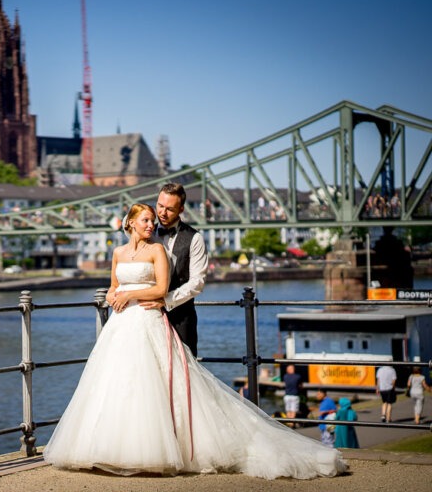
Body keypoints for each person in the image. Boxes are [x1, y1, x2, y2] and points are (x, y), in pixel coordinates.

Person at [43, 203, 346, 479]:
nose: (151, 225)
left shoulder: (157, 250)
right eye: (146, 220)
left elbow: (161, 289)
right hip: (121, 325)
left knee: (151, 384)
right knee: (117, 384)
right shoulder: (118, 253)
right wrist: (113, 295)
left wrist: (130, 294)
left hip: (148, 319)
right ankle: (107, 447)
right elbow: (113, 286)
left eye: (152, 220)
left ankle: (151, 450)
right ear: (131, 223)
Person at [139, 183, 208, 356]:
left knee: (184, 374)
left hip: (181, 319)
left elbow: (197, 282)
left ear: (181, 209)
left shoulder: (195, 238)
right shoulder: (145, 233)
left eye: (169, 209)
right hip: (145, 316)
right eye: (160, 206)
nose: (162, 213)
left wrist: (166, 300)